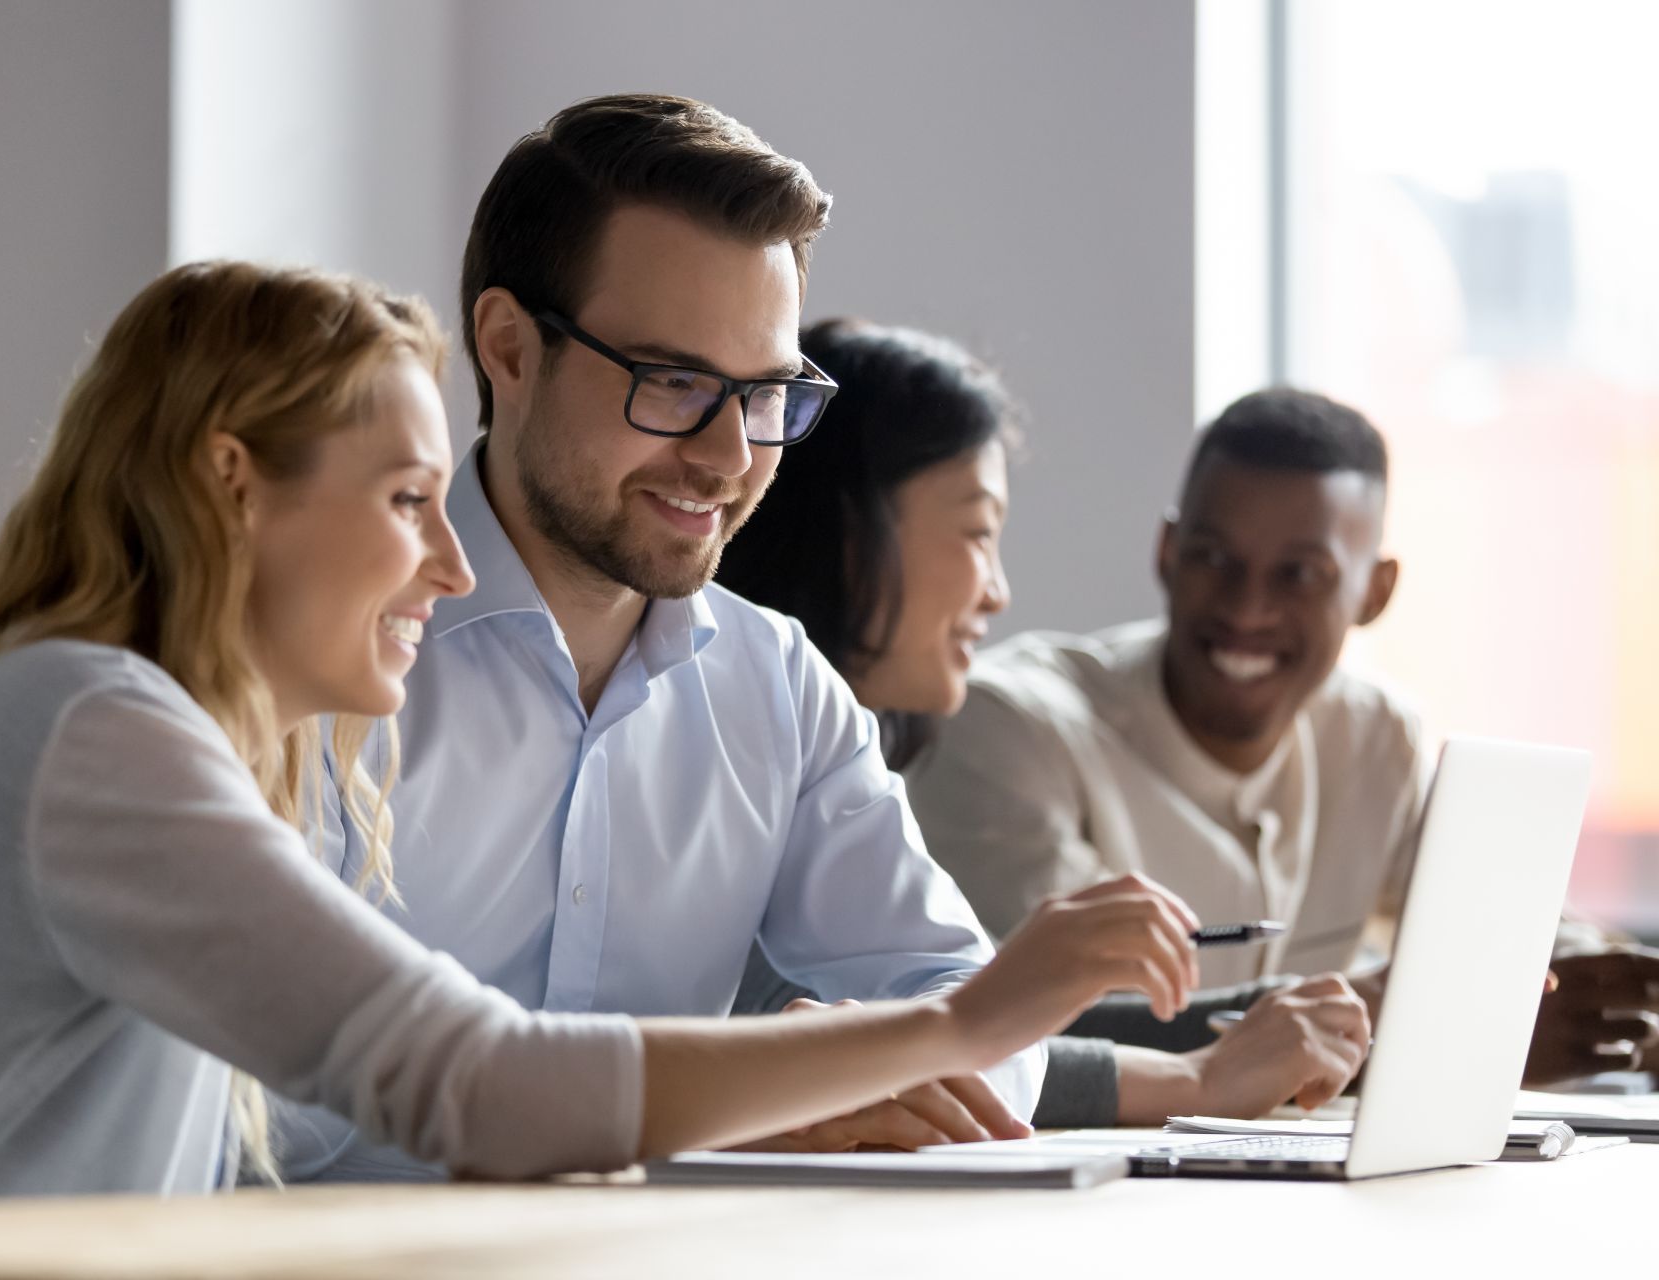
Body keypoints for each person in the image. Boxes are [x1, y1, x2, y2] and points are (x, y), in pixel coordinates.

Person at [0, 262, 1200, 1208]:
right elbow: (478, 1085)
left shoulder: (163, 735)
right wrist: (965, 1021)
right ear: (231, 487)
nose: (452, 566)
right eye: (403, 502)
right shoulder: (87, 724)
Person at [288, 93, 1157, 1179]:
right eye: (676, 382)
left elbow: (974, 1013)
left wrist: (830, 1072)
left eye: (765, 395)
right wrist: (722, 1100)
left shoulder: (778, 684)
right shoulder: (313, 656)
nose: (729, 456)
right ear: (509, 348)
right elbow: (259, 1107)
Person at [718, 320, 1371, 1130]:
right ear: (854, 534)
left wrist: (1277, 1030)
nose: (997, 592)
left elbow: (956, 1025)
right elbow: (892, 1040)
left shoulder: (844, 751)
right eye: (979, 533)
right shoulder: (727, 736)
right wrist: (1198, 1081)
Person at [904, 386, 1659, 1084]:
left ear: (1375, 591)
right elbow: (1051, 1030)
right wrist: (1422, 1034)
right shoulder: (1008, 729)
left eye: (1300, 575)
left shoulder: (1374, 736)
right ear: (1167, 554)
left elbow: (1502, 920)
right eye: (1213, 559)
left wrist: (1614, 996)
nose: (1247, 608)